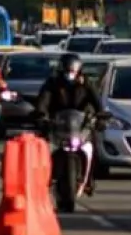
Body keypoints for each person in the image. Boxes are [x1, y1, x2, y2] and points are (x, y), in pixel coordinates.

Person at [33, 53, 105, 194]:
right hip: (57, 124)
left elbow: (97, 102)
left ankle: (89, 180)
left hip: (81, 125)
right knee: (41, 144)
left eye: (73, 70)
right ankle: (42, 177)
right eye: (68, 70)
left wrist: (101, 116)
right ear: (62, 69)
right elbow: (43, 100)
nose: (70, 73)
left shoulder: (87, 83)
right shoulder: (52, 83)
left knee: (94, 145)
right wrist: (40, 114)